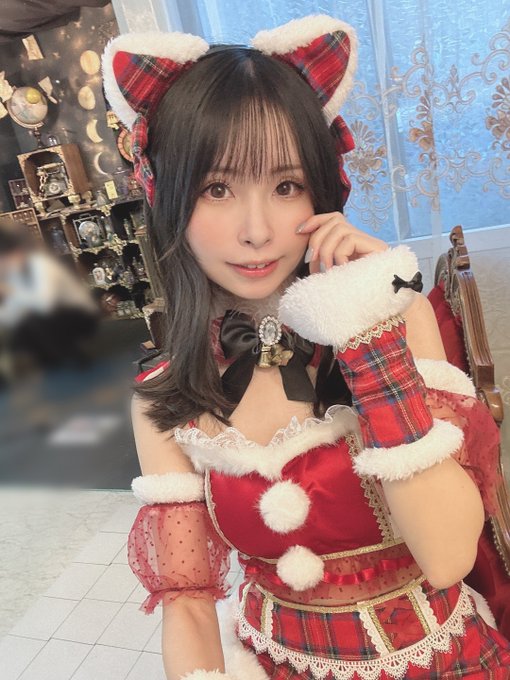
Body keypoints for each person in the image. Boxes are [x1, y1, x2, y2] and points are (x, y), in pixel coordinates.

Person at [102, 15, 510, 679]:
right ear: (167, 198)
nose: (257, 230)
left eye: (285, 186)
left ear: (322, 191)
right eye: (216, 188)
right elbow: (189, 608)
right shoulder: (163, 395)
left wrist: (366, 336)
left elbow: (447, 558)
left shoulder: (396, 316)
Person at [0, 217, 99, 375]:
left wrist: (11, 292)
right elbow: (12, 311)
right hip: (49, 315)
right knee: (19, 327)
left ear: (17, 252)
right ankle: (48, 357)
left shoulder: (41, 265)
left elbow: (45, 303)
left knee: (33, 319)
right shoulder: (14, 273)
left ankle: (73, 355)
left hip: (78, 314)